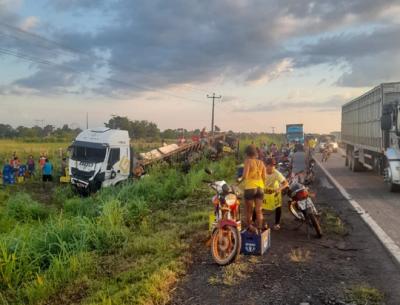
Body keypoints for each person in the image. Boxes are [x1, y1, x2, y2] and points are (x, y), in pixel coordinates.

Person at [241, 144, 266, 233]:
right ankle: (259, 229)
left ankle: (250, 228)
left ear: (247, 153)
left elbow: (245, 176)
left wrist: (238, 181)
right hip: (260, 188)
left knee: (249, 211)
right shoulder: (261, 163)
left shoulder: (248, 161)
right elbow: (264, 177)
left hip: (250, 188)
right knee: (259, 210)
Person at [264, 158, 289, 230]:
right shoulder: (262, 172)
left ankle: (277, 223)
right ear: (266, 165)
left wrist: (279, 189)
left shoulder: (277, 173)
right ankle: (254, 222)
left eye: (273, 166)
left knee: (278, 206)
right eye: (270, 165)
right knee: (258, 205)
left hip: (275, 192)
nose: (272, 167)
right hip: (265, 192)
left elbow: (286, 183)